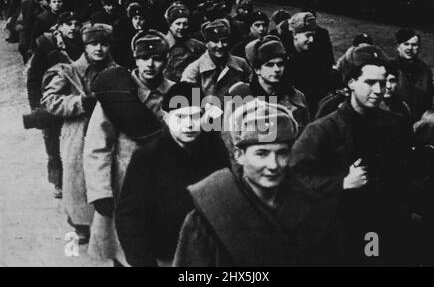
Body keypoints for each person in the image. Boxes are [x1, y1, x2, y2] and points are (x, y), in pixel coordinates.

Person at [173, 99, 341, 266]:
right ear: (239, 155)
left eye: (282, 153)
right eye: (261, 153)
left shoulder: (313, 208)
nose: (273, 165)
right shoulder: (210, 213)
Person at [289, 49, 415, 265]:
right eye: (370, 82)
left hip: (386, 227)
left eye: (382, 83)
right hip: (340, 231)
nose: (379, 90)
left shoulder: (397, 125)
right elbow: (293, 180)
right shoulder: (322, 130)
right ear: (351, 83)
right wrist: (341, 183)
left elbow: (405, 178)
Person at [84, 31, 174, 267]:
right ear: (135, 58)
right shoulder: (118, 93)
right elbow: (97, 146)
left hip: (166, 183)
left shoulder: (179, 92)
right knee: (124, 251)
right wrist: (100, 191)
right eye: (144, 58)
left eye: (157, 58)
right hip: (124, 184)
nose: (151, 64)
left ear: (167, 60)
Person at [115, 82, 230, 267]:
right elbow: (129, 217)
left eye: (196, 116)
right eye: (181, 117)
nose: (189, 124)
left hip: (209, 256)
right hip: (165, 256)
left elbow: (228, 202)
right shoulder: (147, 157)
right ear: (167, 117)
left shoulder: (215, 150)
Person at [41, 23, 116, 244]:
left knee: (108, 174)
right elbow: (49, 101)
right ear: (85, 47)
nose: (99, 49)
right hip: (77, 132)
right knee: (76, 180)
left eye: (103, 44)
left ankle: (106, 222)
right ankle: (80, 223)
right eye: (93, 44)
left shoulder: (116, 72)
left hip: (109, 131)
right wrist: (80, 102)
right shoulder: (69, 71)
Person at [25, 11, 83, 199]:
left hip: (75, 102)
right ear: (59, 27)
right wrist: (36, 106)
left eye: (76, 24)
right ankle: (58, 182)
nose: (73, 27)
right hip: (51, 101)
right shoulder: (47, 45)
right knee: (52, 143)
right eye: (68, 24)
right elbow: (33, 78)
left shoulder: (85, 45)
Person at [181, 19, 252, 102]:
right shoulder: (194, 69)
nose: (220, 45)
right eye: (215, 41)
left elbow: (254, 88)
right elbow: (189, 101)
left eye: (224, 41)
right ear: (206, 43)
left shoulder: (240, 64)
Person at [283, 12, 332, 117]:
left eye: (313, 35)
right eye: (308, 35)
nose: (311, 40)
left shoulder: (317, 56)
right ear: (295, 34)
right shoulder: (282, 58)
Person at [392, 28, 434, 120]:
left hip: (419, 120)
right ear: (398, 46)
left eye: (414, 45)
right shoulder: (390, 67)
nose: (410, 48)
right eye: (406, 44)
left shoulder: (425, 70)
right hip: (395, 118)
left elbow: (429, 97)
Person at [163, 3, 205, 82]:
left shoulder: (198, 46)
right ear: (170, 25)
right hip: (169, 90)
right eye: (178, 24)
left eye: (185, 24)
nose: (181, 27)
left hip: (193, 89)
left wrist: (196, 93)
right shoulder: (161, 45)